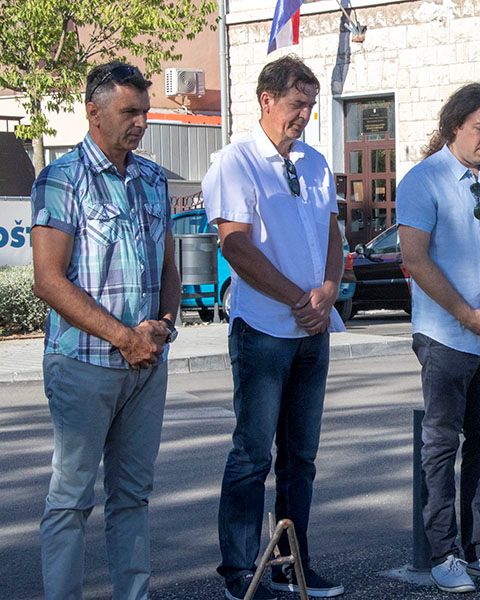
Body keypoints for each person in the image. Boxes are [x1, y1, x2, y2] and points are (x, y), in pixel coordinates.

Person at [30, 61, 181, 600]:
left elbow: (168, 266)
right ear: (93, 112)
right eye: (129, 112)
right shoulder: (62, 179)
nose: (141, 123)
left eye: (145, 112)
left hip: (145, 367)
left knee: (133, 497)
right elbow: (48, 281)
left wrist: (164, 326)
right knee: (70, 499)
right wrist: (124, 337)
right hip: (84, 365)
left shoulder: (152, 179)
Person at [201, 55, 345, 600]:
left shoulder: (315, 162)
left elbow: (332, 235)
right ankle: (240, 571)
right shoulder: (235, 162)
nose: (305, 114)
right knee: (252, 454)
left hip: (312, 329)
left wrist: (327, 290)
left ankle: (293, 563)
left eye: (311, 105)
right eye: (296, 104)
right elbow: (236, 246)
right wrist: (296, 298)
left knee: (301, 458)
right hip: (263, 330)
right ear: (266, 100)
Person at [396, 83, 480, 593]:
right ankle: (442, 552)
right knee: (441, 444)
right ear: (455, 126)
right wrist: (466, 315)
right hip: (446, 335)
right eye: (479, 128)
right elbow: (415, 259)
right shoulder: (423, 180)